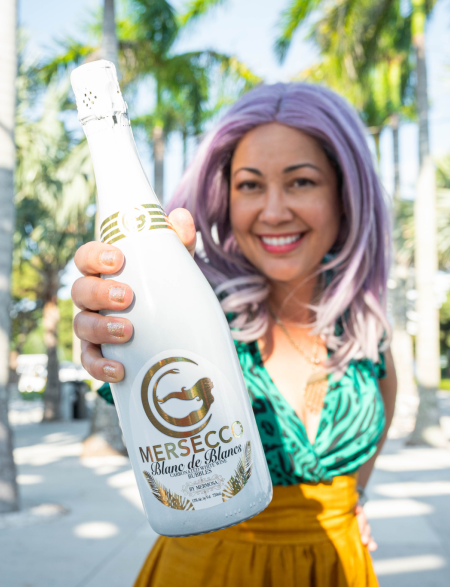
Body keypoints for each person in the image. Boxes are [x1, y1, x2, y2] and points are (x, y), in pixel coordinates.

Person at [71, 83, 396, 587]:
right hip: (205, 571)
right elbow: (132, 388)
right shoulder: (193, 302)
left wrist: (354, 501)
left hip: (339, 568)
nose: (273, 211)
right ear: (225, 197)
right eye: (249, 185)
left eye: (301, 182)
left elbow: (382, 410)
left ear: (344, 193)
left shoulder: (364, 328)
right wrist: (111, 330)